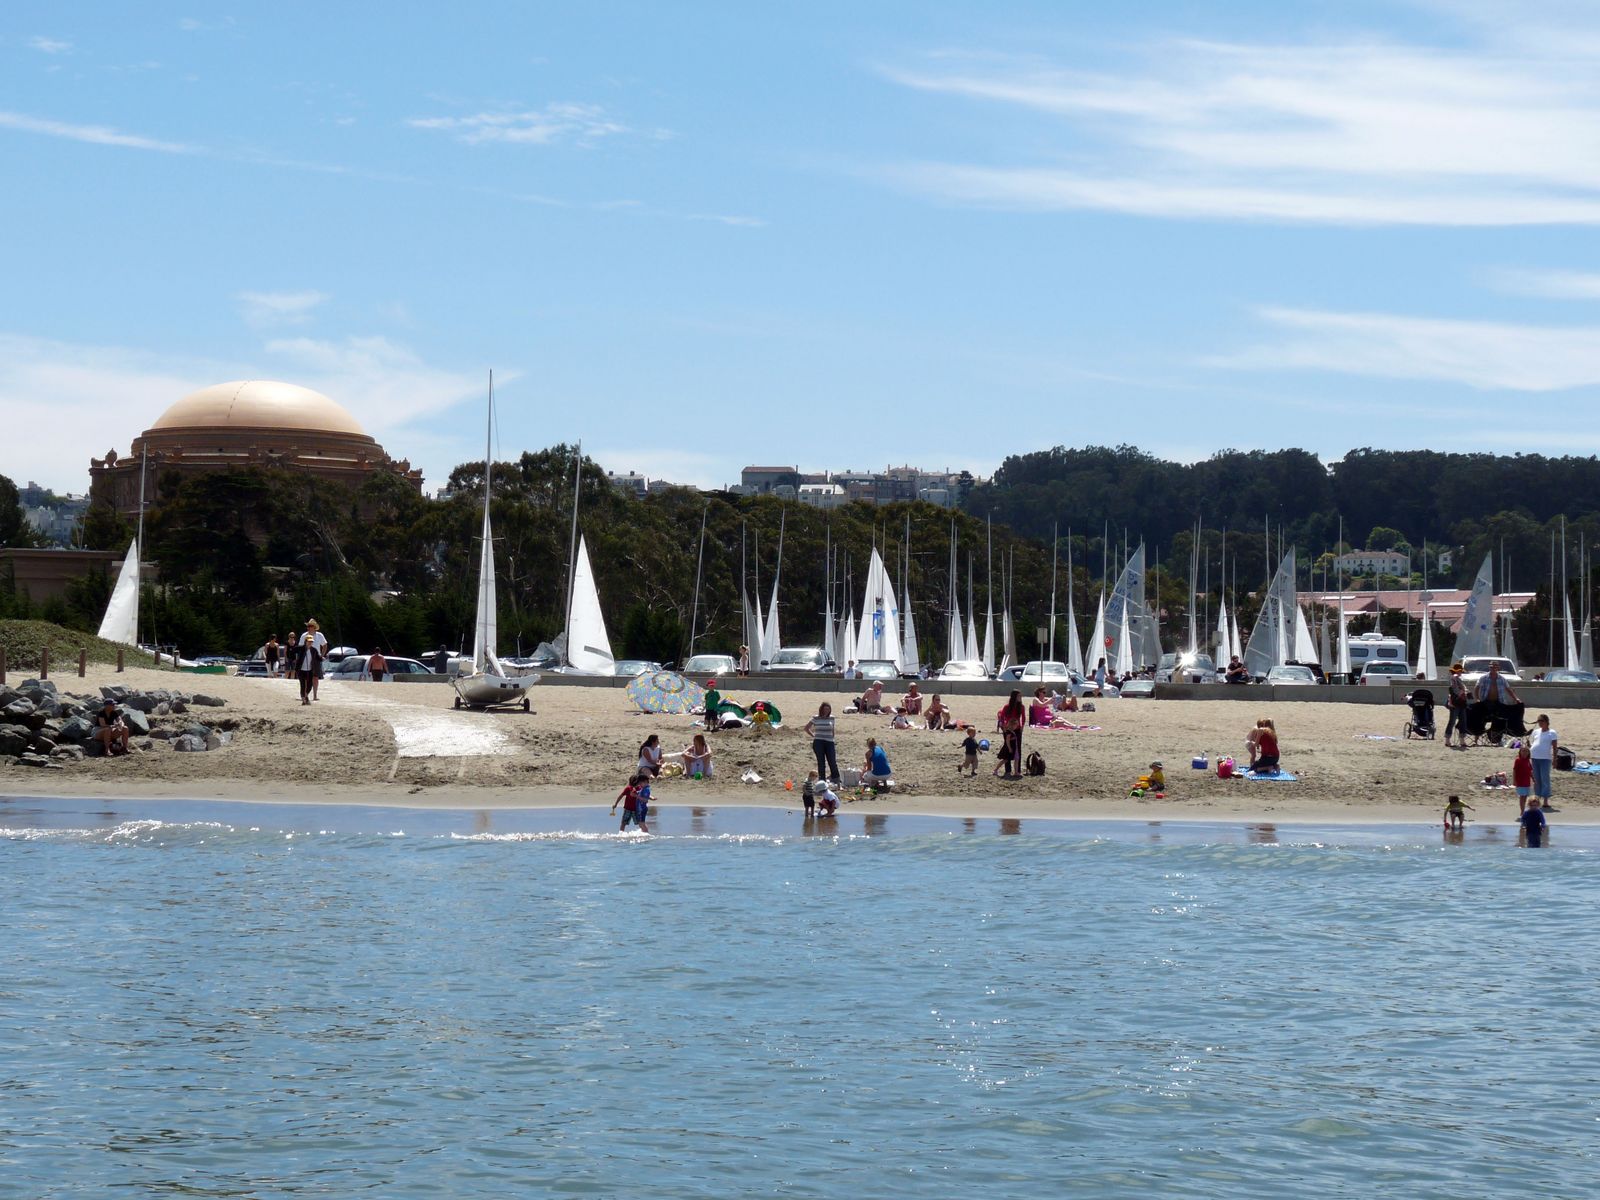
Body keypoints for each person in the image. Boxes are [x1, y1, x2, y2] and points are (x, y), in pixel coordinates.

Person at [1528, 714, 1558, 811]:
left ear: (1546, 722)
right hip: (1534, 758)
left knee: (1545, 779)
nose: (1540, 723)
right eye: (1539, 721)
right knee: (1536, 779)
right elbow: (1533, 743)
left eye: (1542, 721)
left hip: (1545, 758)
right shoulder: (1536, 731)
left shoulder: (1552, 732)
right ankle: (1537, 799)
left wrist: (1555, 759)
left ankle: (1545, 800)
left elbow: (1555, 747)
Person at [804, 702, 839, 784]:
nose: (826, 711)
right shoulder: (816, 718)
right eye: (825, 709)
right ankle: (822, 780)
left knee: (832, 761)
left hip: (829, 742)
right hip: (818, 742)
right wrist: (813, 736)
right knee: (821, 762)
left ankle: (836, 778)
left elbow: (832, 730)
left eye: (828, 709)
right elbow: (806, 728)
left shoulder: (832, 718)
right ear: (821, 709)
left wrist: (832, 738)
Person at [998, 690, 1026, 779]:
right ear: (1014, 697)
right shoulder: (1007, 707)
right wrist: (1003, 726)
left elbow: (1024, 718)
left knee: (1018, 749)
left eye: (1020, 696)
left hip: (1017, 730)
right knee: (1008, 748)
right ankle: (1008, 770)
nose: (1020, 698)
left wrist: (1022, 727)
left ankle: (1017, 770)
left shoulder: (1021, 707)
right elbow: (1001, 717)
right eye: (1018, 696)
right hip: (1008, 730)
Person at [292, 629, 320, 705]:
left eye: (311, 642)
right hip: (300, 670)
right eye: (309, 641)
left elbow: (318, 657)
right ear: (305, 641)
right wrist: (293, 659)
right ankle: (304, 699)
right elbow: (292, 651)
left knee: (310, 685)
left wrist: (323, 658)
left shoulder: (314, 650)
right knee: (303, 685)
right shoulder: (300, 648)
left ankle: (306, 695)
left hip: (309, 670)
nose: (310, 643)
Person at [1444, 663, 1470, 748]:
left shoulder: (1456, 678)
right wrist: (1463, 692)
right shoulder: (1454, 678)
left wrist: (1465, 691)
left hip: (1460, 702)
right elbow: (1454, 690)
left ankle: (1451, 740)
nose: (1461, 672)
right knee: (1455, 721)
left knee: (1461, 721)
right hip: (1456, 702)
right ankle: (1450, 740)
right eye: (1460, 671)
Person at [304, 619, 329, 701]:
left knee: (315, 677)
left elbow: (325, 645)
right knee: (306, 677)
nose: (308, 627)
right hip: (306, 658)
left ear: (314, 627)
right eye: (308, 626)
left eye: (310, 626)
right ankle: (305, 694)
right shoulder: (304, 635)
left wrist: (322, 655)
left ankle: (315, 695)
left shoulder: (319, 635)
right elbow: (300, 647)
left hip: (316, 658)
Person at [1513, 744, 1533, 814]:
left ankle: (1524, 810)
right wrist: (1514, 780)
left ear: (1528, 753)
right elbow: (1514, 771)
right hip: (1520, 782)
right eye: (1523, 751)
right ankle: (1522, 811)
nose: (1525, 753)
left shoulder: (1528, 760)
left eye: (1526, 751)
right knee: (1522, 797)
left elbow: (1530, 771)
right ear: (1520, 752)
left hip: (1527, 782)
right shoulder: (1518, 760)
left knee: (1525, 797)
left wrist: (1533, 778)